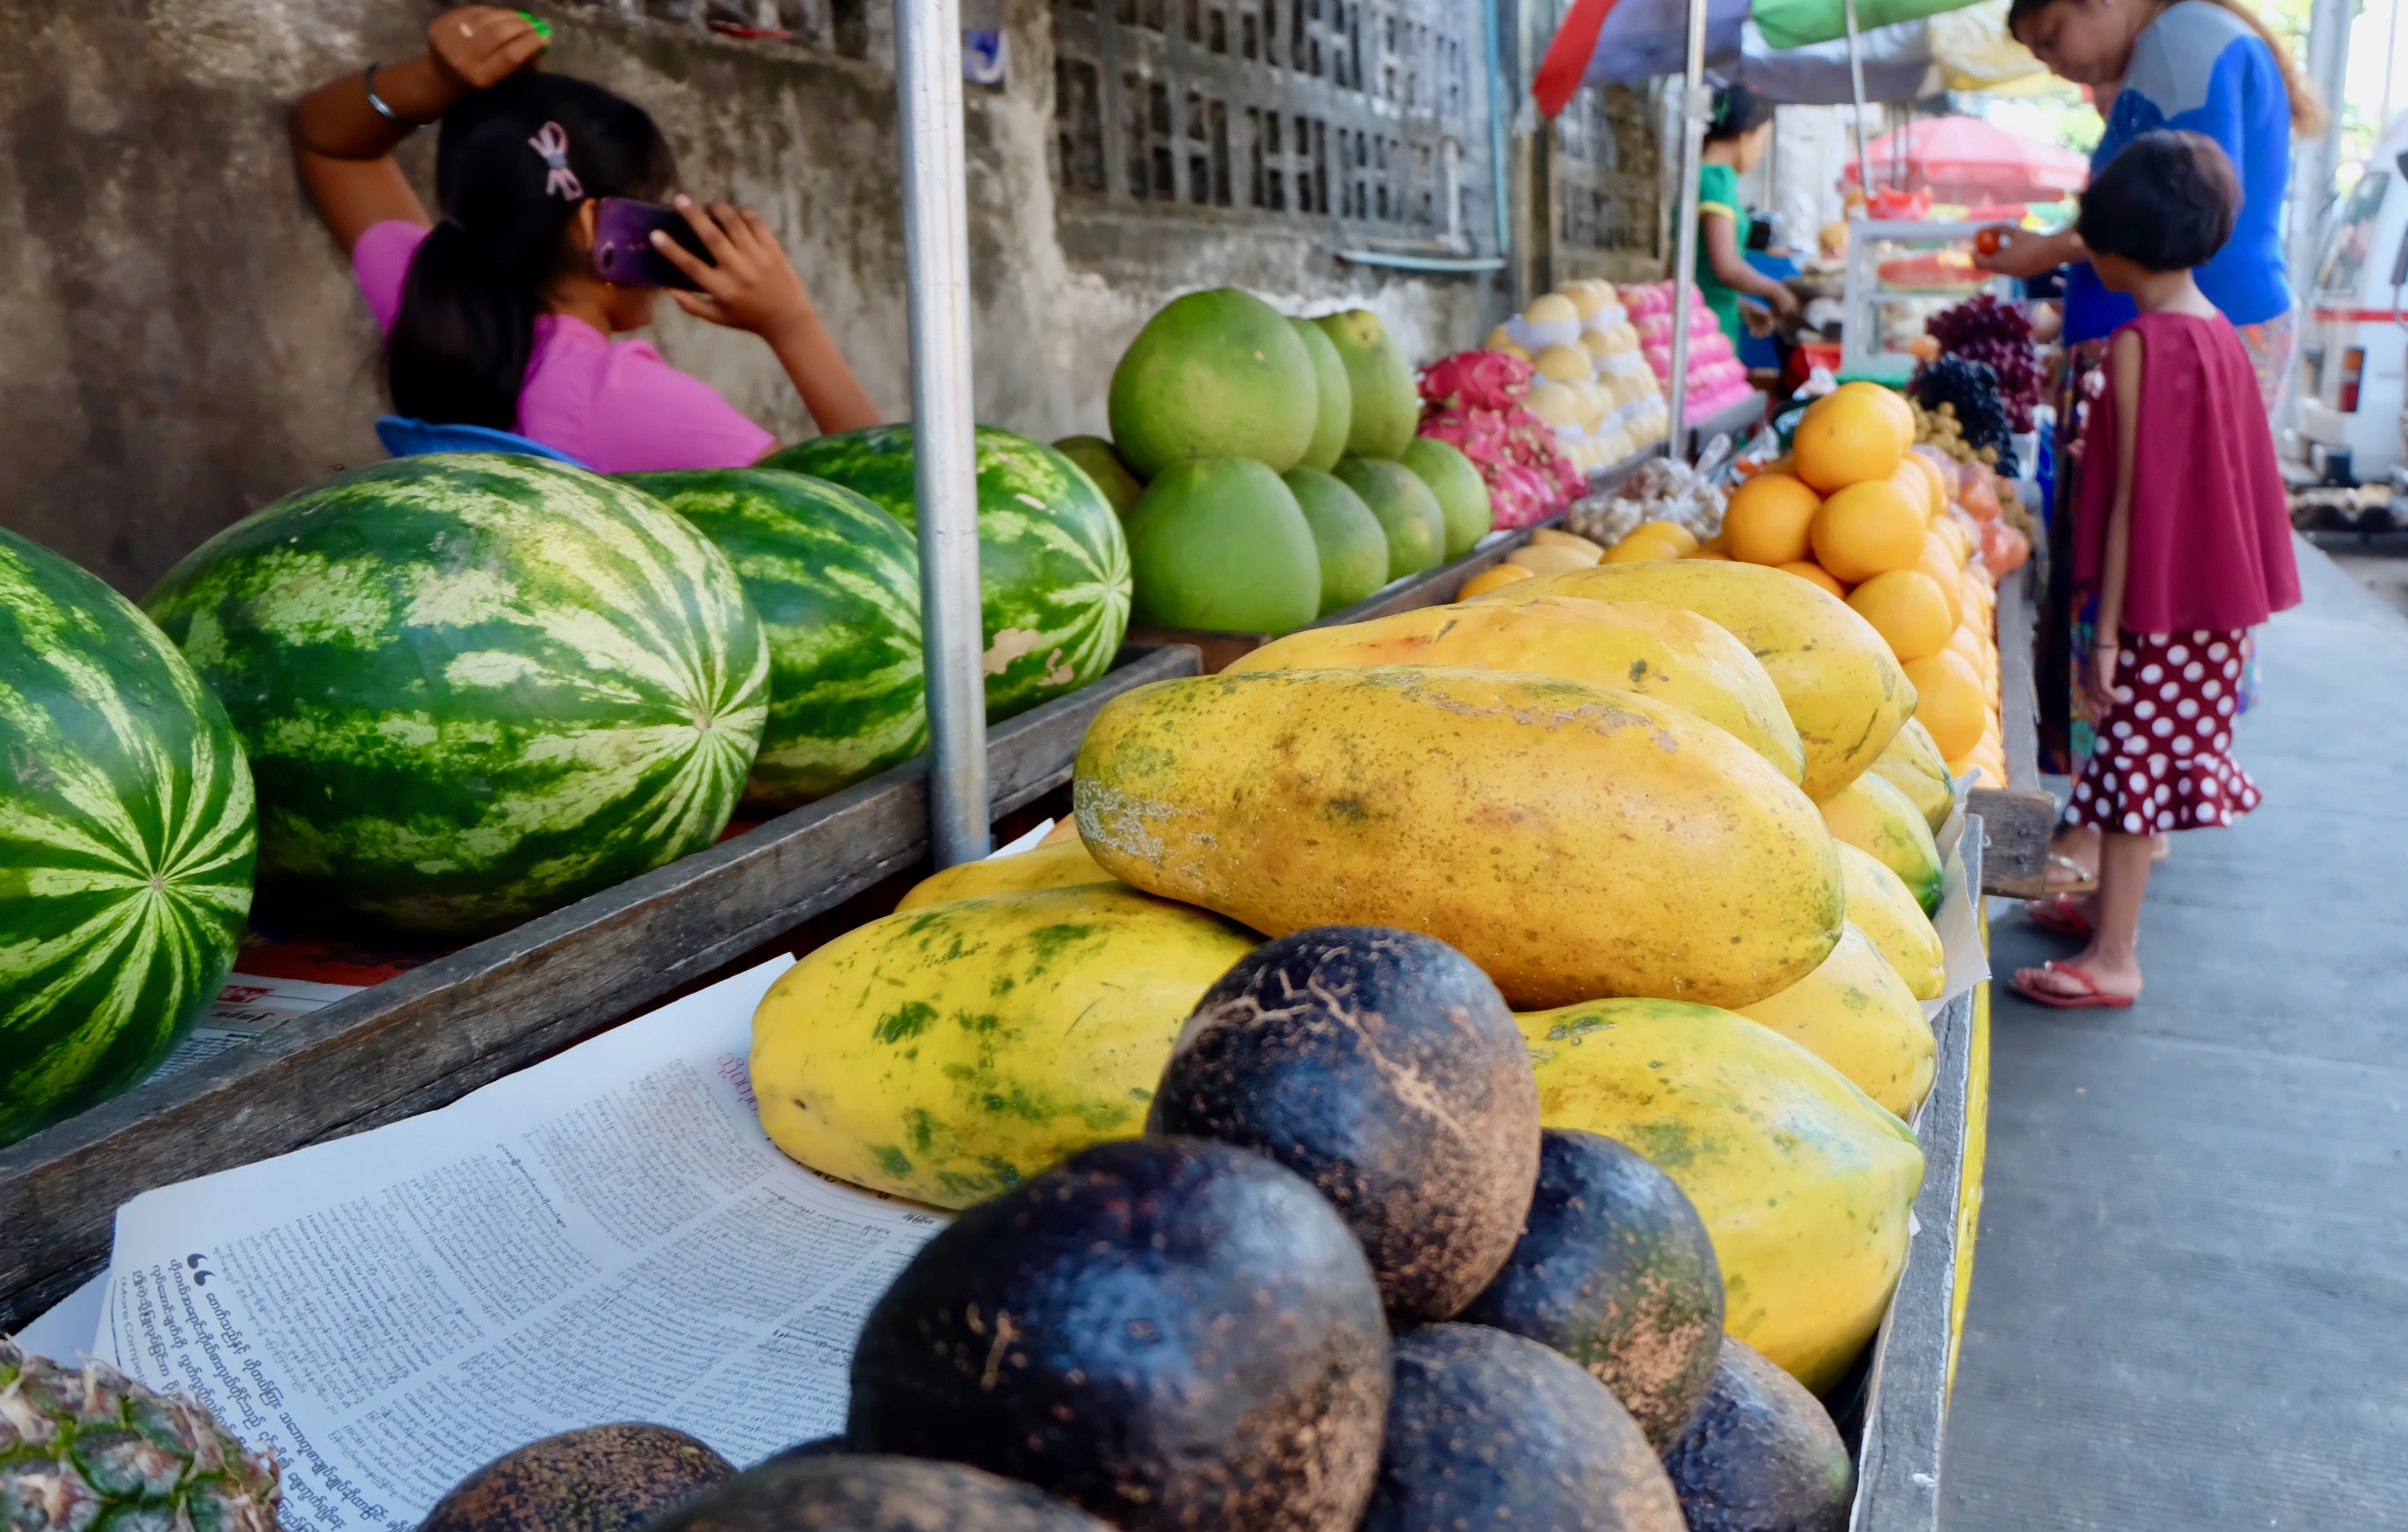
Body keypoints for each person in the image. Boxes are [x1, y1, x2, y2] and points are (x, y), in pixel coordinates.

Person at [1972, 0, 2318, 888]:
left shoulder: (2182, 38)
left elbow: (2137, 507)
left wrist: (2114, 629)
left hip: (2157, 402)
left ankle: (2105, 842)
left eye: (2053, 37)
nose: (2056, 64)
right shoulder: (2185, 42)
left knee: (2134, 612)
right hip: (2175, 350)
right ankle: (2115, 832)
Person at [289, 5, 878, 471]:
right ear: (600, 229)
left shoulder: (427, 309)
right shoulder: (633, 403)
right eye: (656, 206)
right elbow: (892, 533)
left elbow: (330, 144)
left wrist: (431, 79)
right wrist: (791, 325)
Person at [2010, 133, 2299, 1009]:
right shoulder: (2218, 332)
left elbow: (2136, 495)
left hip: (2155, 607)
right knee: (2143, 764)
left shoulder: (2140, 345)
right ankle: (2105, 910)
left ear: (2114, 247)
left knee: (2134, 771)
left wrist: (2105, 631)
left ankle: (2117, 955)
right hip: (2212, 603)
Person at [1693, 83, 1800, 344]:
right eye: (1762, 141)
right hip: (1706, 331)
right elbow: (1726, 267)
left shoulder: (1711, 178)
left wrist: (1741, 306)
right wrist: (1776, 292)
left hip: (1709, 316)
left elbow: (1696, 269)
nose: (1760, 153)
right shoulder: (1714, 181)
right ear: (1745, 135)